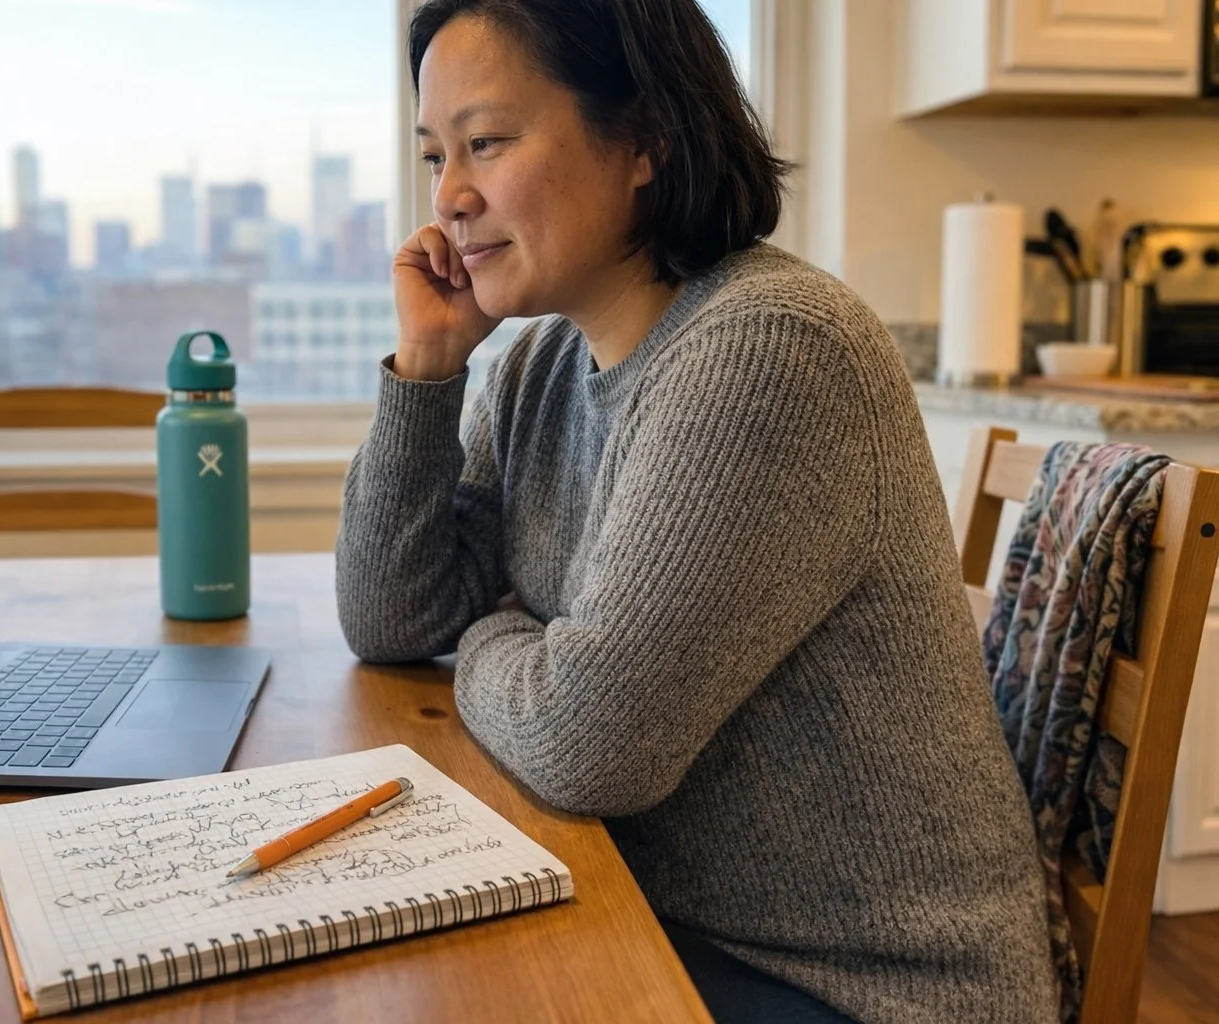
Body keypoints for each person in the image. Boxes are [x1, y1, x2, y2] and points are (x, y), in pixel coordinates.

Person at [333, 1, 1058, 1021]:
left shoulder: (772, 350)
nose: (450, 196)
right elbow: (391, 617)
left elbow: (588, 746)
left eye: (486, 143)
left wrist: (493, 622)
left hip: (858, 986)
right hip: (679, 914)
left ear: (644, 139)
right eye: (434, 155)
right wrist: (425, 372)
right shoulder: (544, 362)